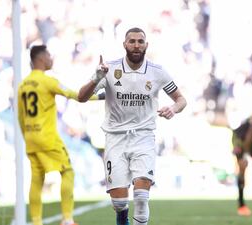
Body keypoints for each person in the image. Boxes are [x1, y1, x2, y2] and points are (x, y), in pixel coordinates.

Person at [78, 27, 187, 225]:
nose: (136, 45)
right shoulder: (109, 69)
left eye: (140, 41)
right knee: (119, 202)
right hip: (115, 138)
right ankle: (122, 216)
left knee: (142, 197)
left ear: (146, 45)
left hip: (143, 137)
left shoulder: (157, 72)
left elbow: (181, 99)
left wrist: (173, 108)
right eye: (132, 41)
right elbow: (81, 97)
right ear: (124, 45)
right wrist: (96, 77)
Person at [17, 45, 103, 225]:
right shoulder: (48, 81)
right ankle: (67, 219)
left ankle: (36, 221)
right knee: (67, 171)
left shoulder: (23, 85)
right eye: (48, 55)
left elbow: (20, 116)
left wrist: (27, 138)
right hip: (47, 137)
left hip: (31, 138)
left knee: (37, 178)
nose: (51, 58)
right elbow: (76, 95)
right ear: (40, 59)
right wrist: (100, 96)